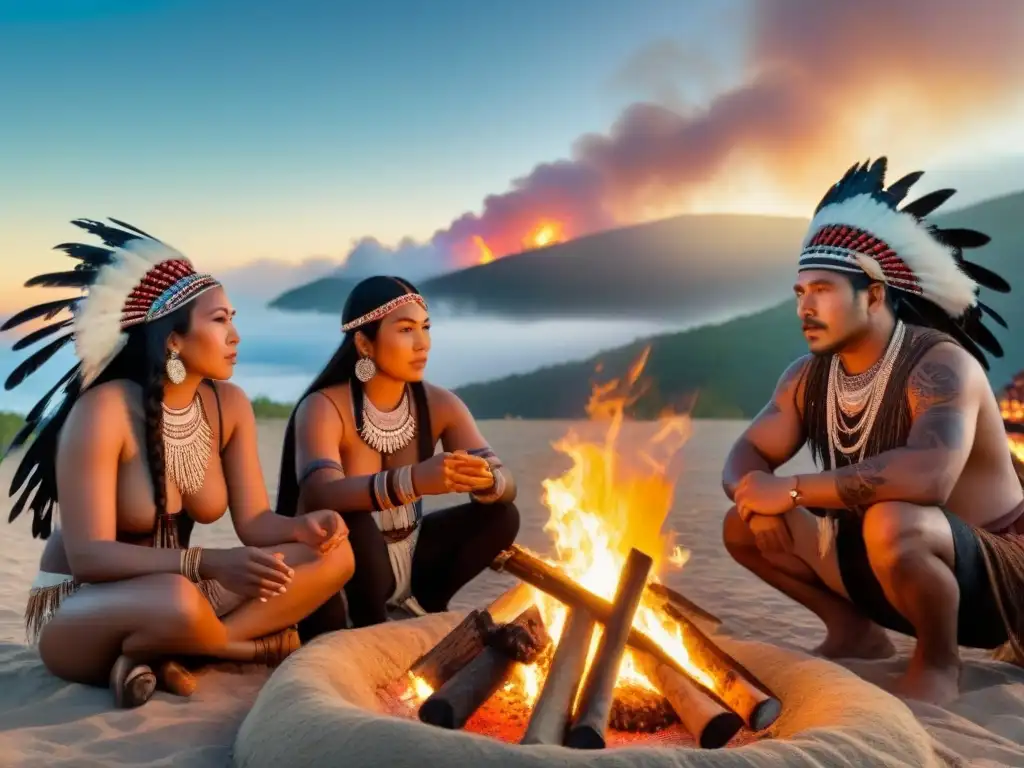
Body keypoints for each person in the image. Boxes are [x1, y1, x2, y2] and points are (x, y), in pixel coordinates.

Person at [0, 218, 355, 708]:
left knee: (336, 555)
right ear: (173, 339)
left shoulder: (229, 406)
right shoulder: (103, 411)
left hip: (178, 594)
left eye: (232, 318)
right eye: (219, 321)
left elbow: (254, 523)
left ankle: (164, 655)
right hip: (84, 605)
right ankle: (235, 647)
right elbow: (89, 557)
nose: (235, 336)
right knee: (178, 598)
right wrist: (208, 562)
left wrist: (306, 528)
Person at [720, 158, 1023, 706]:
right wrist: (755, 496)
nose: (805, 307)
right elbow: (744, 455)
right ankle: (855, 632)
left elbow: (927, 477)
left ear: (876, 294)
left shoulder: (940, 365)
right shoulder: (808, 377)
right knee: (741, 526)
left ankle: (938, 662)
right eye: (798, 292)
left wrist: (786, 490)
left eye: (823, 290)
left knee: (891, 517)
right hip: (892, 566)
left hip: (999, 585)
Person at [275, 275, 520, 636]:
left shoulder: (440, 404)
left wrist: (486, 480)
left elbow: (506, 483)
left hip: (412, 553)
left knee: (501, 515)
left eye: (426, 327)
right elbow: (319, 493)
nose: (422, 343)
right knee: (351, 519)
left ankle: (424, 604)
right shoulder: (325, 406)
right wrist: (415, 480)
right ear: (364, 343)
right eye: (406, 330)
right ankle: (370, 625)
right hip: (343, 569)